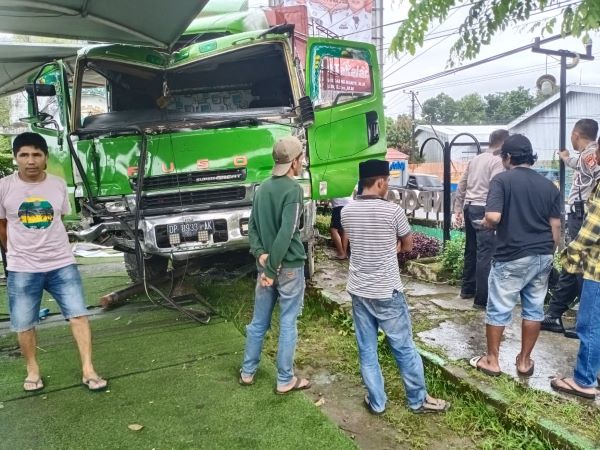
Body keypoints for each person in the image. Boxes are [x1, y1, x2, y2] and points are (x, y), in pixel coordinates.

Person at [341, 159, 450, 414]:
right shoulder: (393, 212)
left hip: (359, 289)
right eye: (387, 181)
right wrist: (394, 248)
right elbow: (409, 246)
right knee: (403, 347)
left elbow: (352, 244)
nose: (387, 186)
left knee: (367, 349)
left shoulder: (347, 211)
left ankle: (377, 403)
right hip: (387, 290)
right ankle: (417, 400)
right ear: (379, 182)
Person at [0, 132, 107, 392]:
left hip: (61, 263)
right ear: (16, 158)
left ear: (45, 158)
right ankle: (33, 370)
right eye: (24, 155)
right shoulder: (4, 187)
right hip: (22, 267)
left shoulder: (58, 185)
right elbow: (2, 224)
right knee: (24, 323)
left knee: (79, 316)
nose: (31, 160)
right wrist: (13, 251)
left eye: (37, 154)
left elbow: (60, 218)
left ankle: (88, 369)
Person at [470, 134, 561, 378]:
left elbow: (493, 217)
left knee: (499, 307)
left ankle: (492, 360)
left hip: (512, 255)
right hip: (543, 254)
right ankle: (523, 361)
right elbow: (556, 227)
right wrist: (549, 253)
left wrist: (485, 223)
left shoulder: (502, 180)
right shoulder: (549, 186)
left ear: (508, 157)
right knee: (533, 309)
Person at [240, 135, 311, 394]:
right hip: (288, 266)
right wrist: (271, 270)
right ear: (293, 162)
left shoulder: (262, 188)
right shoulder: (293, 190)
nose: (301, 162)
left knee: (259, 321)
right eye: (300, 158)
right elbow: (286, 233)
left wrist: (261, 255)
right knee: (288, 322)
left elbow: (253, 227)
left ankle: (247, 372)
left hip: (264, 265)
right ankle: (284, 380)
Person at [550, 139, 600, 399]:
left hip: (597, 269)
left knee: (590, 325)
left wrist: (570, 255)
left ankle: (584, 380)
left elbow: (593, 227)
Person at [541, 119, 600, 335]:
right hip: (581, 211)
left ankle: (586, 322)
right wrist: (567, 158)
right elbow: (579, 163)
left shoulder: (591, 154)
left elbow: (592, 168)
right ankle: (554, 314)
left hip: (583, 212)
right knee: (573, 265)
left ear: (576, 134)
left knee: (580, 265)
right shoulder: (587, 155)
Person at [454, 129, 509, 309]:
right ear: (503, 143)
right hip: (485, 208)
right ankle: (482, 299)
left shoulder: (476, 159)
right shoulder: (497, 161)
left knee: (471, 251)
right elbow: (496, 187)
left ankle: (467, 289)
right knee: (486, 253)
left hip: (470, 206)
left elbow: (461, 184)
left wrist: (458, 209)